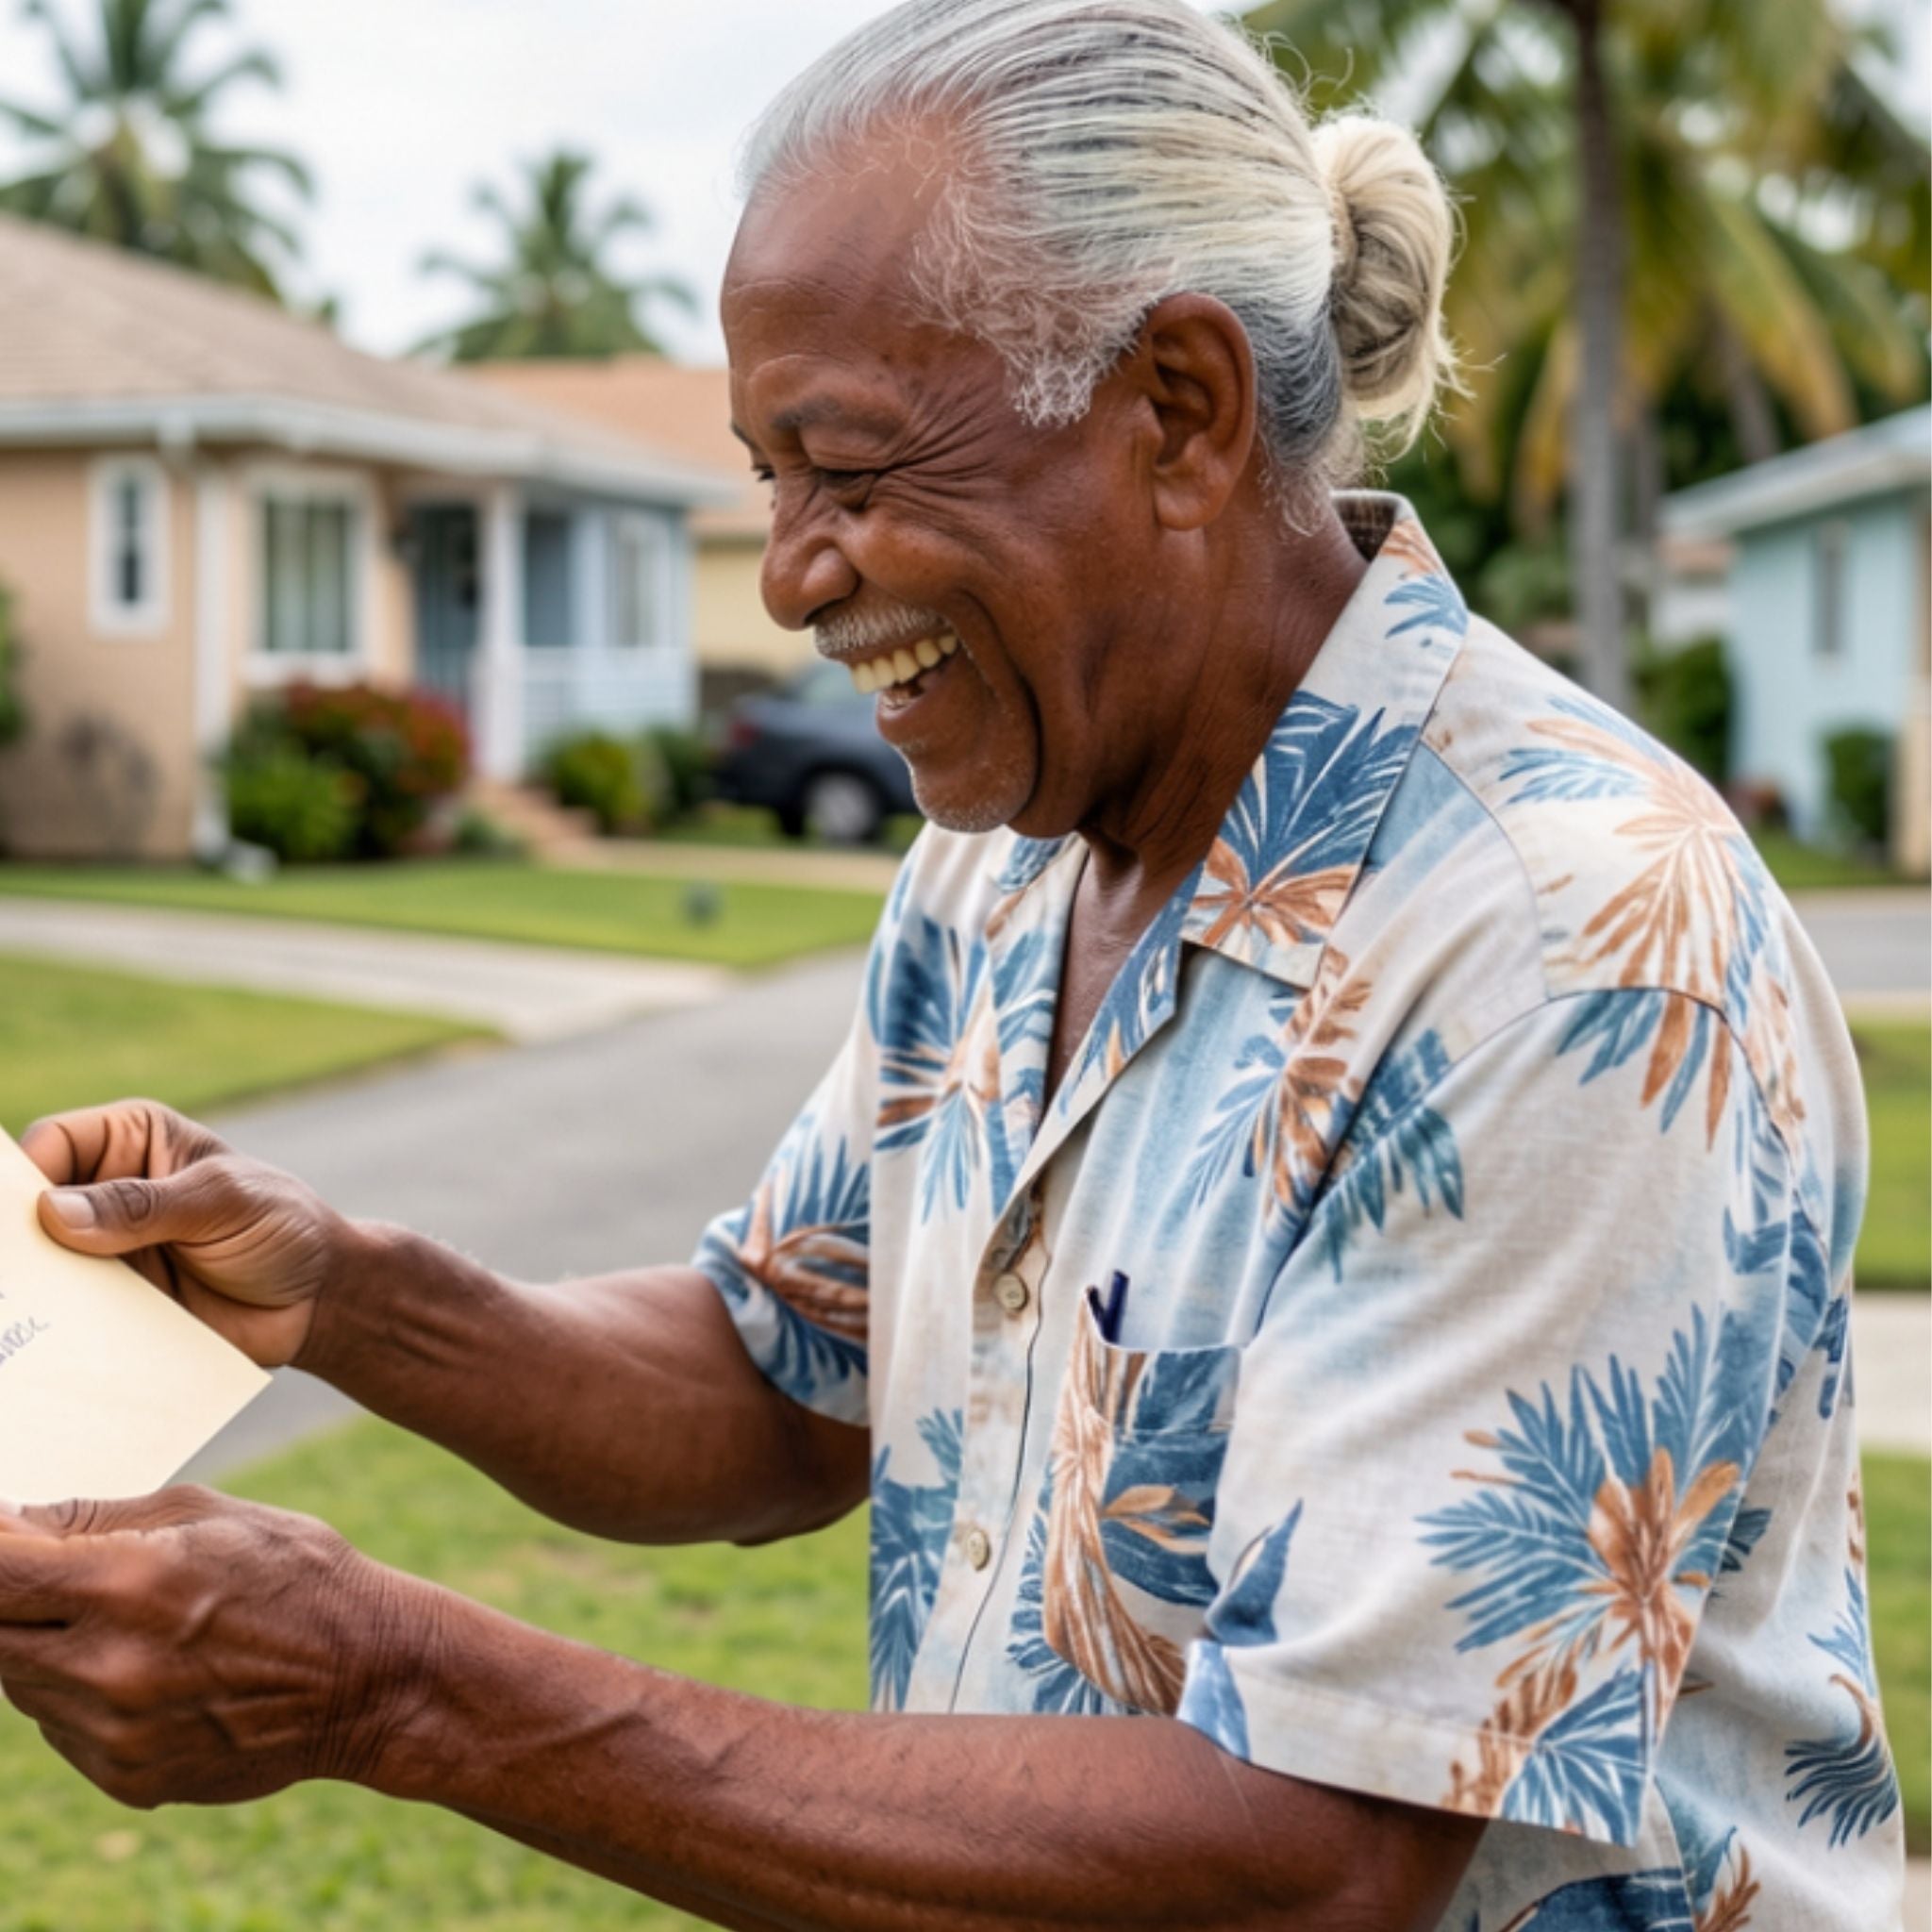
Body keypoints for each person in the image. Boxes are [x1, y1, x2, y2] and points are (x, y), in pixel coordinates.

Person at [0, 3, 1903, 1927]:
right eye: (766, 475)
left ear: (1178, 410)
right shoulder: (1000, 874)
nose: (790, 571)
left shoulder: (1561, 950)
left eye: (848, 465)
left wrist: (405, 1684)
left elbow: (1311, 1859)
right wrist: (344, 1294)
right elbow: (777, 1377)